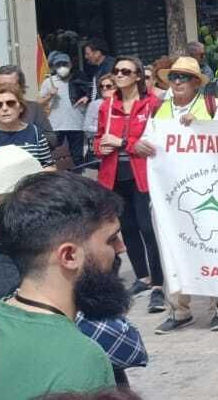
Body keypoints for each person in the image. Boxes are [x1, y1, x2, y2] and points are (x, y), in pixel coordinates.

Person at [0, 147, 148, 388]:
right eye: (111, 239)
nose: (121, 248)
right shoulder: (77, 355)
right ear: (68, 254)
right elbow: (127, 347)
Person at [136, 57, 218, 333]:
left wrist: (202, 125)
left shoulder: (214, 107)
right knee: (171, 250)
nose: (177, 82)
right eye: (174, 77)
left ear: (195, 83)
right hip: (171, 195)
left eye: (184, 78)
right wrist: (141, 146)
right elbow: (147, 141)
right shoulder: (159, 112)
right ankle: (179, 310)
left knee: (214, 249)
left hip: (208, 192)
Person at [92, 57, 164, 313]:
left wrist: (123, 143)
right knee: (128, 228)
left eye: (126, 71)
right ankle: (142, 277)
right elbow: (99, 139)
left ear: (137, 76)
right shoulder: (107, 106)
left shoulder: (152, 104)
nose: (119, 75)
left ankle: (159, 283)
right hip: (114, 174)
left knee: (148, 228)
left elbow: (152, 144)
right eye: (117, 71)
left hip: (142, 175)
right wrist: (100, 145)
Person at [0, 85, 55, 167]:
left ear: (21, 107)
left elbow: (49, 166)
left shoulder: (34, 132)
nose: (4, 108)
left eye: (10, 103)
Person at [42, 51, 87, 163]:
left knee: (77, 158)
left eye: (65, 64)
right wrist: (49, 95)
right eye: (58, 65)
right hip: (56, 126)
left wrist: (87, 97)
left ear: (70, 65)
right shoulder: (48, 81)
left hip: (77, 124)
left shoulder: (80, 80)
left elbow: (92, 92)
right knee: (54, 156)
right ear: (54, 67)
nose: (62, 67)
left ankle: (78, 179)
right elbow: (40, 102)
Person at [81, 74, 117, 171]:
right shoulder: (95, 104)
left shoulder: (124, 103)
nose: (104, 88)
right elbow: (86, 127)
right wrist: (103, 130)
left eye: (108, 86)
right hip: (101, 147)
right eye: (102, 86)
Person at [82, 38, 116, 105]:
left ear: (97, 53)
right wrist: (88, 97)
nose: (86, 57)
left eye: (88, 54)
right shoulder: (99, 67)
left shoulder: (110, 66)